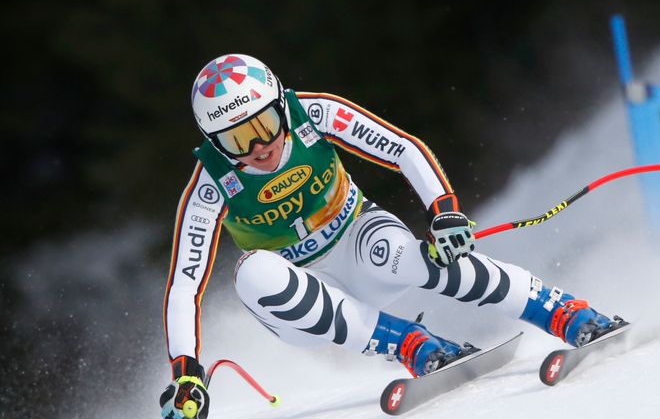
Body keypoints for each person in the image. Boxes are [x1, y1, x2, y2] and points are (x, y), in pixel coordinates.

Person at [159, 54, 622, 418]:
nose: (260, 146)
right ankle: (412, 344)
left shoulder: (313, 114)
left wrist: (443, 212)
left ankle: (562, 311)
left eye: (264, 125)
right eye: (238, 140)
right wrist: (186, 374)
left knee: (406, 256)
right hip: (306, 300)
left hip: (359, 242)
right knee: (252, 274)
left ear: (282, 105)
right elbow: (185, 285)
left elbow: (402, 148)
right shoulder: (209, 187)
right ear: (214, 143)